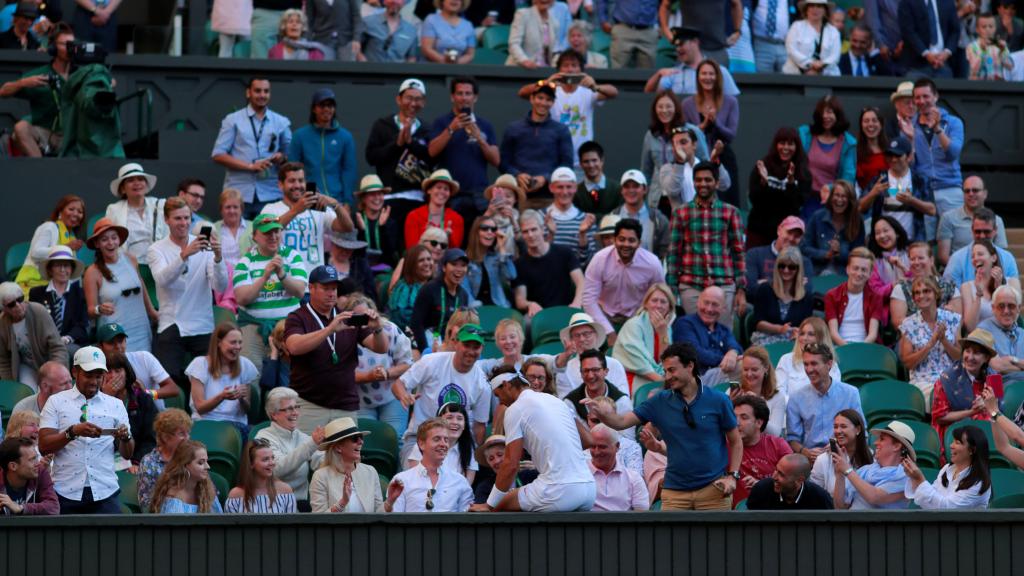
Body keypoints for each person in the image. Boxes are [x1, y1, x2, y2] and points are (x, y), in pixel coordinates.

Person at [586, 343, 741, 511]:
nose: (667, 376)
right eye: (665, 371)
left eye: (672, 370)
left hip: (714, 491)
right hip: (675, 493)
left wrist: (733, 477)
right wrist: (602, 414)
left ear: (690, 366)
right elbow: (621, 422)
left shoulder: (718, 400)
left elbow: (736, 442)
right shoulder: (660, 401)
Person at [285, 265, 389, 434]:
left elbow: (381, 348)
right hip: (309, 404)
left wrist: (378, 329)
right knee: (309, 457)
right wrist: (328, 330)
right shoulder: (298, 317)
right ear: (311, 288)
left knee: (345, 459)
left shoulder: (348, 316)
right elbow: (294, 347)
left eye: (334, 288)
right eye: (326, 288)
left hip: (345, 406)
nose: (332, 293)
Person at [148, 197, 230, 395]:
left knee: (210, 379)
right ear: (167, 220)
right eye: (178, 218)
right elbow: (162, 280)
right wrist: (184, 256)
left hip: (201, 323)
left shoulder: (205, 245)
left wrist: (219, 258)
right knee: (166, 379)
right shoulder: (156, 249)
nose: (183, 223)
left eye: (187, 218)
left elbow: (220, 286)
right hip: (171, 323)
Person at [38, 347, 132, 514]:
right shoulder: (56, 402)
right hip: (65, 490)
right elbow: (44, 446)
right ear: (75, 372)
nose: (94, 381)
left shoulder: (115, 405)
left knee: (111, 540)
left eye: (99, 376)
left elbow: (127, 454)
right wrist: (72, 432)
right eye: (89, 375)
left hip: (105, 490)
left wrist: (126, 437)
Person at [392, 324, 489, 460]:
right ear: (455, 343)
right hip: (420, 438)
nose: (471, 351)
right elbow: (398, 384)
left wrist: (473, 457)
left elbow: (479, 427)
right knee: (418, 477)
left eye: (476, 347)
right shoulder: (431, 361)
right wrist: (404, 396)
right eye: (467, 345)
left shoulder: (482, 383)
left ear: (482, 349)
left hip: (455, 444)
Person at [665, 161, 747, 325]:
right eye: (699, 180)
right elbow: (674, 253)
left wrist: (741, 289)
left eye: (708, 180)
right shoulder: (681, 212)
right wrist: (672, 291)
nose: (703, 184)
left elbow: (738, 252)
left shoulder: (731, 212)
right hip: (691, 284)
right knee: (695, 335)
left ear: (716, 183)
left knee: (722, 336)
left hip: (723, 282)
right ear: (694, 182)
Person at [233, 213, 308, 370]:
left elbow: (300, 292)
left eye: (277, 231)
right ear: (254, 236)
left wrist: (282, 275)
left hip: (288, 328)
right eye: (267, 232)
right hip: (254, 329)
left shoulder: (292, 256)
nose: (273, 236)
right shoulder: (245, 262)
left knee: (291, 375)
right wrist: (265, 276)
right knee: (252, 374)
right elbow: (242, 298)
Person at [212, 78, 292, 220]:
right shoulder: (233, 120)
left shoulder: (281, 122)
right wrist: (250, 166)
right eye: (257, 91)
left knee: (269, 238)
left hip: (270, 193)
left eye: (266, 91)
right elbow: (218, 154)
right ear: (248, 93)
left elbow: (289, 155)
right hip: (239, 193)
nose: (262, 95)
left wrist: (281, 157)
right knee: (238, 239)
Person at [427, 77, 501, 224]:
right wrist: (451, 128)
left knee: (478, 240)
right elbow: (431, 152)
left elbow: (496, 160)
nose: (464, 98)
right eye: (459, 93)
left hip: (479, 195)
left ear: (475, 97)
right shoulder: (441, 122)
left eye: (468, 93)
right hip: (451, 194)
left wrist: (479, 138)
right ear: (452, 97)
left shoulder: (485, 125)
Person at [262, 162, 354, 277]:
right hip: (284, 282)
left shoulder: (318, 208)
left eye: (301, 181)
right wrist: (296, 210)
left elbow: (347, 227)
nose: (297, 185)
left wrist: (336, 205)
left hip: (314, 282)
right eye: (292, 181)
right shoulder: (270, 209)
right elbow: (266, 232)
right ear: (280, 185)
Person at [365, 78, 434, 226]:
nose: (413, 103)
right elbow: (371, 157)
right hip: (388, 198)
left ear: (424, 102)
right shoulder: (382, 125)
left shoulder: (428, 130)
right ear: (399, 99)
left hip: (418, 199)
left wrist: (411, 143)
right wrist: (397, 143)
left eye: (418, 99)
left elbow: (432, 159)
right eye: (409, 98)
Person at [498, 81, 574, 210]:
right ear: (532, 99)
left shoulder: (561, 130)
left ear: (553, 103)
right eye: (540, 98)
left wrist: (545, 178)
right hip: (519, 197)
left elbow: (567, 164)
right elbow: (503, 163)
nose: (543, 103)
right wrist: (517, 175)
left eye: (548, 99)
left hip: (550, 198)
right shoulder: (513, 128)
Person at [534, 51, 618, 163]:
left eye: (574, 65)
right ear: (559, 70)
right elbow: (523, 92)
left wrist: (595, 86)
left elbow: (614, 92)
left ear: (581, 70)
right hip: (554, 159)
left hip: (582, 161)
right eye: (565, 65)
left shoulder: (588, 91)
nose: (570, 70)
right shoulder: (552, 91)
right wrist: (547, 83)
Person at [786, 343, 864, 462]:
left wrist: (838, 444)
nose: (809, 369)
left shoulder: (850, 393)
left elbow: (862, 430)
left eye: (814, 364)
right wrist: (805, 452)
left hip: (843, 455)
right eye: (806, 364)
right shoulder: (796, 398)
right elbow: (792, 439)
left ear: (829, 364)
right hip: (810, 459)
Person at [681, 59, 740, 206]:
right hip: (697, 159)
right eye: (704, 73)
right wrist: (704, 124)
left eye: (711, 74)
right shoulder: (687, 104)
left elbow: (731, 135)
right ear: (698, 77)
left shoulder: (731, 102)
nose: (708, 77)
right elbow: (685, 135)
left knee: (727, 202)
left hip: (723, 159)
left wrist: (716, 122)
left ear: (718, 77)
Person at [186, 322, 258, 439]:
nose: (238, 347)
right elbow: (200, 408)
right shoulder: (200, 364)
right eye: (233, 342)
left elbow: (246, 409)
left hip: (237, 425)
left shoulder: (245, 364)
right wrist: (221, 397)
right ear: (219, 343)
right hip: (206, 422)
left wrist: (241, 398)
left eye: (240, 342)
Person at [931, 329, 1000, 450]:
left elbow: (999, 413)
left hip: (986, 433)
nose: (970, 357)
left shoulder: (995, 379)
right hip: (955, 434)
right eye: (967, 351)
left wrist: (990, 406)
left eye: (977, 353)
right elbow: (940, 418)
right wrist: (972, 411)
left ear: (987, 358)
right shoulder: (947, 378)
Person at [287, 89, 358, 206]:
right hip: (309, 199)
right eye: (322, 105)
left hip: (336, 199)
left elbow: (349, 171)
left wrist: (347, 202)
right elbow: (292, 171)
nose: (326, 109)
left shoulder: (345, 137)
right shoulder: (300, 136)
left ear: (334, 109)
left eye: (330, 106)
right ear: (314, 109)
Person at [899, 276, 963, 403]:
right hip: (923, 381)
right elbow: (908, 363)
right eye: (917, 293)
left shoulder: (952, 319)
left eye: (926, 291)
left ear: (936, 293)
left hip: (951, 377)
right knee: (940, 394)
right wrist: (931, 343)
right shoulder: (908, 324)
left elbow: (959, 357)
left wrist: (943, 340)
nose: (921, 295)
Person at [860, 137, 935, 244]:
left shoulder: (920, 179)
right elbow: (860, 208)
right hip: (884, 243)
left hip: (913, 244)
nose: (893, 159)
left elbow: (932, 210)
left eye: (898, 155)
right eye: (890, 155)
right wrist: (872, 194)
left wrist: (912, 201)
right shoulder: (879, 179)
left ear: (908, 157)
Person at [255, 387, 325, 502]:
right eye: (288, 409)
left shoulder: (302, 437)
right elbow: (276, 469)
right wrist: (311, 444)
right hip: (272, 503)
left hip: (300, 503)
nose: (295, 413)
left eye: (296, 407)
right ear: (274, 415)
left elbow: (321, 461)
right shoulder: (263, 437)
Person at [746, 127, 810, 249]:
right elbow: (754, 199)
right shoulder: (763, 166)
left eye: (790, 144)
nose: (785, 148)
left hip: (786, 234)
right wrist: (763, 182)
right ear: (776, 145)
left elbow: (796, 205)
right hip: (759, 229)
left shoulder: (802, 172)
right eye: (782, 143)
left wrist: (791, 183)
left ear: (797, 147)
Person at [911, 78, 964, 220]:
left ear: (936, 96)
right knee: (927, 240)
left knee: (956, 238)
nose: (921, 101)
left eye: (926, 96)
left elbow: (953, 153)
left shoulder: (953, 122)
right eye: (917, 97)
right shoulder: (910, 126)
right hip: (924, 193)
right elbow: (910, 165)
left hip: (950, 187)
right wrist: (910, 139)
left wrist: (937, 129)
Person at [513, 210, 584, 316]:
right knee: (526, 324)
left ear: (542, 229)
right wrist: (530, 304)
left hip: (567, 309)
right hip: (539, 314)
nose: (530, 235)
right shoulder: (520, 264)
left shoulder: (564, 252)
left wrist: (577, 303)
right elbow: (520, 300)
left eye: (534, 229)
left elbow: (581, 281)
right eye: (525, 231)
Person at [904, 424, 992, 509]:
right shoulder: (947, 469)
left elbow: (948, 510)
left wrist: (920, 479)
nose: (951, 446)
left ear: (972, 450)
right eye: (953, 441)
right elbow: (930, 501)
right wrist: (914, 477)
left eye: (957, 443)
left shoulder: (978, 484)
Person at [798, 96, 856, 220]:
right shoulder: (805, 134)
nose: (825, 116)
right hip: (804, 200)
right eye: (822, 112)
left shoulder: (848, 143)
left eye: (829, 112)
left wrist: (830, 188)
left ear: (838, 114)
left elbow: (848, 178)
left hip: (831, 202)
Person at [831, 421, 912, 510]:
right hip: (851, 522)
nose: (875, 443)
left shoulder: (905, 478)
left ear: (896, 446)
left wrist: (848, 470)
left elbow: (874, 497)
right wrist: (840, 473)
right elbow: (840, 507)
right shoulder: (865, 470)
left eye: (881, 439)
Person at [0, 282, 67, 389]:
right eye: (11, 304)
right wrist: (10, 385)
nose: (18, 305)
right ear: (4, 308)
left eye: (20, 299)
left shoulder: (39, 311)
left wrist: (56, 371)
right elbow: (3, 360)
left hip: (48, 362)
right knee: (26, 393)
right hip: (25, 365)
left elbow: (57, 347)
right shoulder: (2, 323)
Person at [309, 417, 383, 513]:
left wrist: (389, 502)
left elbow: (379, 513)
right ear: (338, 447)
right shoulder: (320, 476)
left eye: (361, 437)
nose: (361, 442)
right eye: (354, 439)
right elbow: (318, 519)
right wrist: (342, 503)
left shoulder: (370, 472)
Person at [671, 286, 743, 385]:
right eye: (706, 303)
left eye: (715, 304)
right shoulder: (685, 323)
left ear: (723, 308)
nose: (709, 309)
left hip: (720, 376)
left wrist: (733, 352)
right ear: (698, 302)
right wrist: (725, 360)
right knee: (745, 366)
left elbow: (735, 346)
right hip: (696, 380)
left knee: (754, 363)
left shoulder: (723, 330)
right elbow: (694, 353)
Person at [95, 323, 177, 409]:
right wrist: (106, 396)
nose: (118, 346)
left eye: (120, 341)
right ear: (100, 346)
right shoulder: (95, 369)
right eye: (111, 343)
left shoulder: (144, 357)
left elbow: (173, 389)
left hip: (156, 418)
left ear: (125, 341)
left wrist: (146, 394)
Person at [612, 283, 675, 392]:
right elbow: (638, 362)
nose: (658, 305)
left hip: (657, 379)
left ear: (669, 307)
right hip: (633, 377)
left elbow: (665, 362)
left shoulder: (666, 328)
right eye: (654, 300)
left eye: (663, 301)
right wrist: (662, 381)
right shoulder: (634, 325)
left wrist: (662, 334)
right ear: (646, 304)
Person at [644, 27, 742, 98]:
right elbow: (650, 95)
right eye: (676, 46)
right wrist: (658, 74)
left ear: (695, 42)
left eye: (681, 44)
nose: (678, 49)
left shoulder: (719, 71)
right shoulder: (673, 73)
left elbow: (734, 102)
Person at [731, 394, 793, 506]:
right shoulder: (724, 445)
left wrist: (763, 486)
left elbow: (793, 481)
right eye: (734, 417)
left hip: (771, 512)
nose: (736, 423)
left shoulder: (778, 445)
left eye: (744, 417)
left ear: (759, 423)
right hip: (735, 515)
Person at [27, 246, 89, 357]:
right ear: (50, 269)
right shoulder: (36, 293)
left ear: (72, 269)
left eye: (66, 265)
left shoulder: (80, 293)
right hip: (43, 344)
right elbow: (33, 323)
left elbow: (82, 325)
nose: (62, 270)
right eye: (57, 265)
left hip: (70, 344)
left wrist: (67, 338)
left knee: (65, 352)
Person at [102, 163, 167, 265]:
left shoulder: (160, 205)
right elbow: (108, 241)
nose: (137, 183)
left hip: (159, 265)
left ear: (146, 185)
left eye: (140, 179)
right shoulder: (113, 209)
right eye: (131, 180)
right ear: (123, 188)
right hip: (127, 266)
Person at [408, 248, 472, 352]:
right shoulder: (429, 289)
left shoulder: (464, 295)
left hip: (452, 347)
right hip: (428, 344)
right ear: (443, 267)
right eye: (454, 264)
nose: (459, 269)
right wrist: (425, 351)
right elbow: (416, 324)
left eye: (463, 265)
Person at [18, 195, 85, 291]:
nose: (75, 214)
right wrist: (66, 247)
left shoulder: (71, 237)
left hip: (53, 289)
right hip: (31, 286)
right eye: (71, 209)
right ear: (60, 211)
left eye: (80, 212)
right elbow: (36, 253)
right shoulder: (49, 227)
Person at [750, 247, 814, 348]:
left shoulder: (806, 296)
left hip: (793, 341)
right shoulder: (765, 289)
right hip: (765, 338)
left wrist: (798, 333)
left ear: (798, 269)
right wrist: (779, 329)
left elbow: (806, 325)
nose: (786, 270)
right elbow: (758, 323)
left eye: (791, 267)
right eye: (782, 266)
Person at [938, 177, 1008, 267]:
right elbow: (943, 257)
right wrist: (967, 271)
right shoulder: (948, 218)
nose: (971, 194)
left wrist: (983, 272)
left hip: (989, 272)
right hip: (958, 272)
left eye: (975, 190)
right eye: (967, 191)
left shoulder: (997, 220)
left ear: (985, 194)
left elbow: (1001, 254)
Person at [943, 209, 1020, 290]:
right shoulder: (957, 258)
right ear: (972, 230)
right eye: (978, 231)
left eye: (987, 232)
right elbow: (950, 292)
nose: (982, 236)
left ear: (995, 231)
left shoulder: (1007, 258)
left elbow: (1014, 294)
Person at [101, 353, 158, 462]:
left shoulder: (142, 399)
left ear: (127, 374)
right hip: (104, 463)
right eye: (108, 372)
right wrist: (105, 399)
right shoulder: (92, 402)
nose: (113, 376)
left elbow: (151, 439)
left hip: (136, 462)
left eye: (118, 371)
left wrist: (137, 462)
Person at [803, 181, 866, 276]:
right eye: (837, 195)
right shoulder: (818, 217)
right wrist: (825, 254)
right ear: (831, 197)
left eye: (844, 196)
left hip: (844, 276)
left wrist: (840, 253)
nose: (839, 200)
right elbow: (804, 248)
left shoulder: (857, 221)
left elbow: (859, 256)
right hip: (817, 273)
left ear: (850, 200)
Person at [825, 247, 885, 346]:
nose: (859, 273)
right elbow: (833, 333)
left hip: (866, 346)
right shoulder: (832, 295)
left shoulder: (876, 297)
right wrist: (848, 349)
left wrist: (859, 350)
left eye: (864, 270)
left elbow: (873, 334)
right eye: (855, 268)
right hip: (838, 346)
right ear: (847, 269)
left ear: (870, 274)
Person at [406, 402, 478, 482]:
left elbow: (466, 487)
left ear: (464, 425)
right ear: (439, 422)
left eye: (459, 418)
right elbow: (415, 479)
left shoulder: (470, 450)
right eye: (449, 417)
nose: (455, 422)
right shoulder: (422, 446)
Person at [137, 408, 192, 512]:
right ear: (166, 437)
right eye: (181, 433)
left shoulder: (192, 456)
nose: (187, 438)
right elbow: (146, 503)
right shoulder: (149, 462)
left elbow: (208, 491)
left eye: (188, 433)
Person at [775, 317, 843, 398]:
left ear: (821, 338)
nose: (804, 338)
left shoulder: (831, 365)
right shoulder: (786, 360)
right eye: (802, 333)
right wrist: (796, 406)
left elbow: (832, 395)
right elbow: (778, 392)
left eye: (811, 334)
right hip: (790, 409)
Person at [808, 409, 873, 495]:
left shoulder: (873, 457)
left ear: (858, 429)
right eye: (835, 427)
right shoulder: (823, 459)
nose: (838, 431)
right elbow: (814, 496)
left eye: (843, 426)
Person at [150, 440, 223, 514]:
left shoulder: (207, 490)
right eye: (201, 463)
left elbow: (219, 521)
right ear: (185, 465)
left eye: (206, 461)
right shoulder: (172, 498)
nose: (208, 466)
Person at [206, 188, 250, 312]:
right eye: (227, 207)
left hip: (247, 275)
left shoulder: (253, 228)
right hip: (222, 277)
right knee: (227, 269)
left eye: (235, 207)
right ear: (221, 210)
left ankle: (228, 302)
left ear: (241, 209)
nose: (232, 211)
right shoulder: (212, 228)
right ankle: (228, 302)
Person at [609, 170, 669, 259]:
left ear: (645, 189)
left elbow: (665, 252)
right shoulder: (612, 217)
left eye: (636, 186)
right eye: (626, 187)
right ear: (621, 190)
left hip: (648, 271)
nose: (631, 190)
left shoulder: (659, 220)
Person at [587, 424, 648, 511]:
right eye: (593, 446)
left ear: (617, 446)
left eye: (602, 447)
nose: (597, 452)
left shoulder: (633, 479)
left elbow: (642, 515)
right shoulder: (580, 474)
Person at [225, 439, 297, 513]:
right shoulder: (236, 494)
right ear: (251, 464)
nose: (272, 463)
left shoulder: (285, 490)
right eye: (265, 459)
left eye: (272, 458)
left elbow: (292, 523)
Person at [731, 347, 787, 437]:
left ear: (765, 368)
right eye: (745, 369)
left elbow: (775, 434)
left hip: (765, 447)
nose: (749, 374)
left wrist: (758, 406)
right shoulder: (733, 393)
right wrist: (730, 404)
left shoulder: (777, 397)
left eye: (754, 369)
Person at [744, 216, 814, 288]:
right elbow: (750, 288)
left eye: (797, 236)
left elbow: (806, 293)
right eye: (789, 232)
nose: (791, 238)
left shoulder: (804, 262)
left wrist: (765, 283)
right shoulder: (754, 254)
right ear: (779, 230)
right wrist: (792, 283)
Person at [404, 169, 465, 250]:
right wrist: (425, 238)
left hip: (445, 262)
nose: (442, 192)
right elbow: (411, 250)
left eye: (446, 189)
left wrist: (448, 238)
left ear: (449, 194)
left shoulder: (457, 219)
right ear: (429, 190)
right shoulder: (414, 216)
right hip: (422, 262)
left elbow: (455, 254)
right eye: (438, 187)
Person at [746, 453, 834, 509]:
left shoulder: (820, 498)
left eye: (781, 474)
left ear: (800, 480)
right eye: (776, 470)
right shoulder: (761, 490)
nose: (774, 477)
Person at [463, 215, 515, 309]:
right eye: (485, 228)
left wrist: (502, 248)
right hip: (475, 310)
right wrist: (474, 307)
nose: (489, 232)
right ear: (476, 232)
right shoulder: (465, 259)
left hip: (498, 307)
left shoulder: (497, 257)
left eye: (493, 229)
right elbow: (464, 289)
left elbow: (511, 275)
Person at [898, 0, 959, 77]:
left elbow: (955, 31)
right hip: (916, 66)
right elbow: (908, 31)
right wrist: (926, 53)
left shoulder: (947, 2)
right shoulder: (907, 2)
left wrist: (946, 52)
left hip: (943, 64)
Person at [0, 436, 58, 516]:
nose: (38, 463)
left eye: (36, 457)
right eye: (32, 459)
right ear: (13, 466)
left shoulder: (40, 473)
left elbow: (53, 507)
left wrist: (22, 508)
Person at [353, 175, 401, 269]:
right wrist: (361, 231)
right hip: (361, 271)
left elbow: (391, 254)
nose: (377, 198)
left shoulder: (390, 222)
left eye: (380, 193)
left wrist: (382, 227)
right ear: (363, 198)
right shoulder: (355, 220)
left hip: (385, 271)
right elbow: (355, 254)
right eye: (372, 194)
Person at [979, 286, 1024, 386]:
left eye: (1011, 306)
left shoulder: (1022, 332)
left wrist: (1012, 360)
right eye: (1001, 306)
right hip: (997, 387)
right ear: (993, 308)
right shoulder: (983, 330)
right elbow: (998, 366)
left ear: (1018, 308)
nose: (1006, 311)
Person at [783, 0, 841, 75]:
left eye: (819, 6)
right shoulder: (796, 26)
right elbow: (791, 49)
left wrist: (822, 65)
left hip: (827, 76)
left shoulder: (833, 31)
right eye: (812, 6)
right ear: (806, 9)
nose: (815, 9)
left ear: (825, 11)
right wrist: (810, 64)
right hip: (795, 75)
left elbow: (835, 56)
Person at [386, 244, 434, 333]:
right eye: (421, 260)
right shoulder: (404, 289)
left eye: (429, 259)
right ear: (411, 264)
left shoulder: (432, 285)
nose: (427, 263)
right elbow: (403, 320)